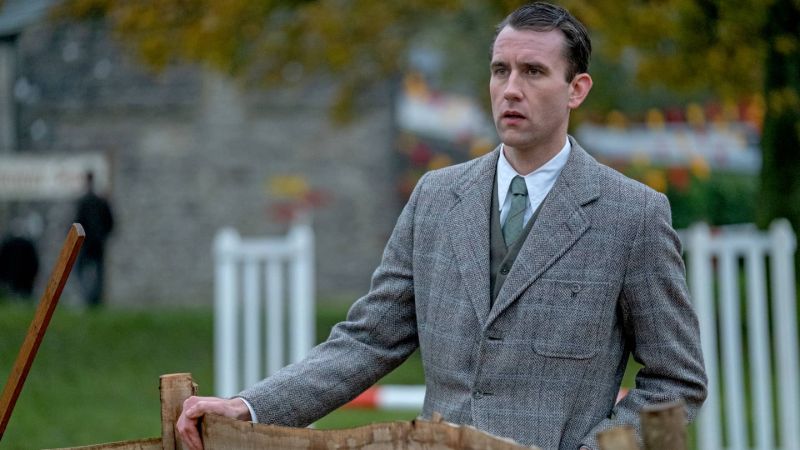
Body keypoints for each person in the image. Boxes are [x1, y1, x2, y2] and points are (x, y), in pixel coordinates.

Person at [177, 3, 707, 449]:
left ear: (577, 89)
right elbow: (368, 340)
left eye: (533, 72)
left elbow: (678, 381)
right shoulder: (435, 198)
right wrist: (250, 406)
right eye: (500, 70)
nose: (511, 89)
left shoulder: (632, 215)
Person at [74, 171, 115, 307]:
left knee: (82, 270)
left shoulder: (83, 202)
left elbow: (77, 222)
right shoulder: (101, 201)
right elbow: (110, 222)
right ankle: (95, 298)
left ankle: (88, 297)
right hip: (97, 242)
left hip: (86, 243)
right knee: (98, 271)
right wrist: (103, 235)